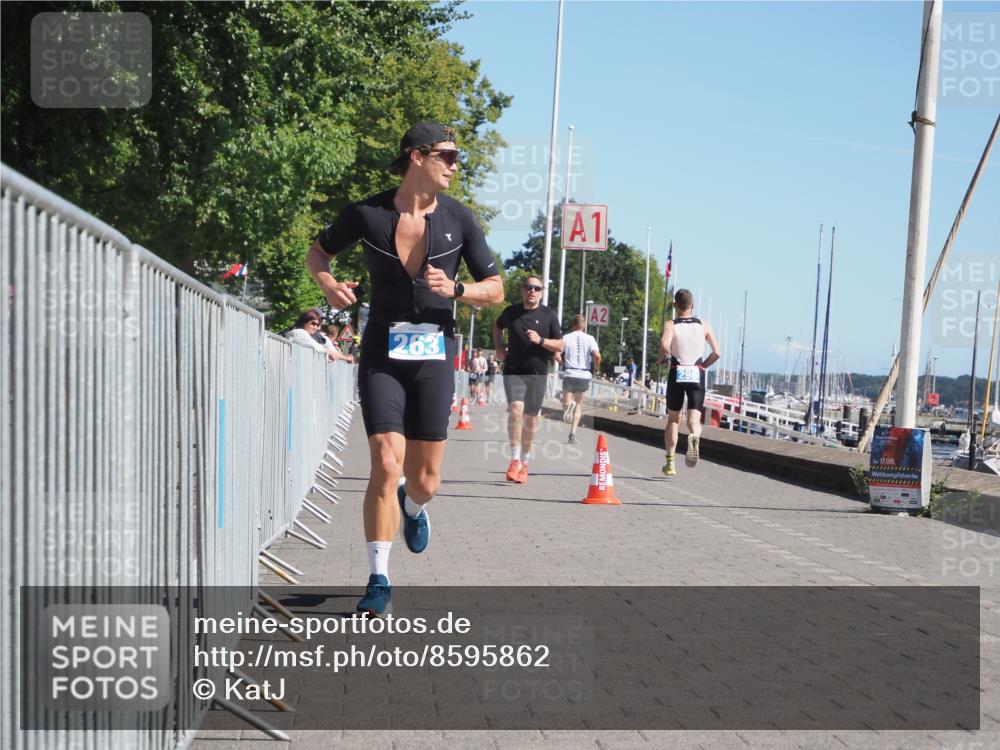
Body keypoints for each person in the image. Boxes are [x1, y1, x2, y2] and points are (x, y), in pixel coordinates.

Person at [305, 122, 504, 615]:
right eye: (448, 156)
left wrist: (457, 290)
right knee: (384, 465)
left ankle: (413, 509)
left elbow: (496, 288)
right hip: (383, 354)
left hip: (436, 355)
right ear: (416, 157)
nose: (456, 166)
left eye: (458, 158)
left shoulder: (461, 219)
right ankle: (378, 580)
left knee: (425, 481)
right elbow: (318, 252)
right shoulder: (366, 213)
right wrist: (328, 284)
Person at [493, 274, 563, 484]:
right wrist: (498, 346)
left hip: (538, 374)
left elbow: (560, 345)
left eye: (536, 288)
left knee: (531, 419)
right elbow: (497, 327)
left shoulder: (549, 315)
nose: (532, 291)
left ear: (542, 293)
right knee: (515, 410)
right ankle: (514, 459)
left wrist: (540, 340)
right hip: (514, 370)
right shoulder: (511, 312)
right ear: (523, 291)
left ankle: (524, 462)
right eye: (528, 287)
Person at [657, 288, 720, 476]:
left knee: (673, 419)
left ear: (675, 306)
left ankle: (670, 463)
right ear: (692, 306)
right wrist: (703, 367)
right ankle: (694, 437)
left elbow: (664, 345)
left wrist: (663, 356)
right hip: (696, 373)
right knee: (693, 420)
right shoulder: (704, 325)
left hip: (677, 373)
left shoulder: (671, 324)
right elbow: (717, 352)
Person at [560, 314, 601, 445]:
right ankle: (572, 434)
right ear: (584, 326)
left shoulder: (565, 337)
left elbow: (557, 353)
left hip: (570, 372)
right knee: (579, 405)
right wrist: (597, 367)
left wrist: (562, 362)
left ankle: (568, 405)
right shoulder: (590, 338)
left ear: (573, 325)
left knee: (566, 404)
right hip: (584, 375)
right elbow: (597, 355)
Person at [286, 310, 353, 363]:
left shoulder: (303, 333)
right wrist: (346, 358)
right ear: (304, 322)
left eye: (317, 325)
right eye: (313, 324)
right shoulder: (299, 332)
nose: (315, 327)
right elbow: (320, 349)